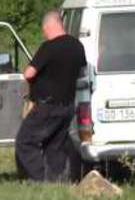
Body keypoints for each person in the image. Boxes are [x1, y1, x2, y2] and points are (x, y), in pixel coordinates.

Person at [15, 10, 86, 182]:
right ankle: (58, 182)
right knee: (55, 146)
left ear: (48, 26)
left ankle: (41, 179)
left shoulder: (49, 47)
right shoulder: (77, 45)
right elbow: (82, 71)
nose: (44, 33)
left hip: (47, 106)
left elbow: (29, 74)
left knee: (25, 142)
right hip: (67, 106)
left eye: (44, 30)